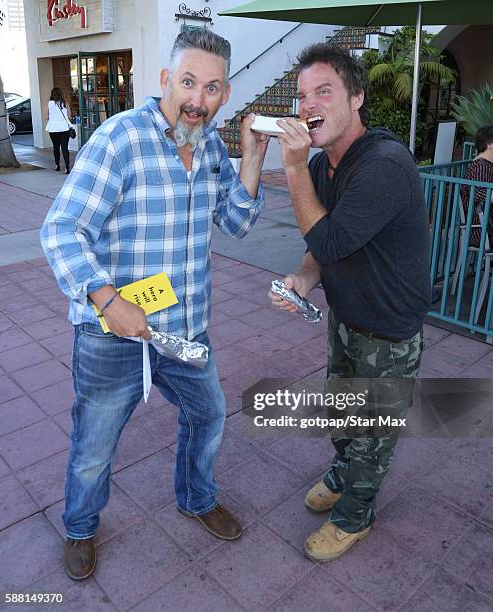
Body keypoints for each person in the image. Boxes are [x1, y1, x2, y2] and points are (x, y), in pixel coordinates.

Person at [41, 29, 269, 581]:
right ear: (166, 80)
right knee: (95, 443)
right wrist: (106, 298)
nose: (198, 99)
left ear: (225, 94)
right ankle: (80, 527)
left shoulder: (214, 146)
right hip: (114, 332)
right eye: (188, 82)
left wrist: (253, 160)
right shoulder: (120, 139)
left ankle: (195, 498)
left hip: (186, 329)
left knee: (210, 412)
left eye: (211, 88)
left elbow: (236, 223)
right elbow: (62, 229)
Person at [268, 44, 431, 562]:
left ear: (356, 97)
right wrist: (304, 280)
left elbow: (333, 241)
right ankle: (342, 476)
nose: (307, 103)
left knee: (374, 433)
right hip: (347, 317)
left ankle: (355, 514)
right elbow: (324, 244)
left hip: (389, 326)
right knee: (342, 412)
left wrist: (292, 167)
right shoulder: (324, 167)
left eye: (323, 91)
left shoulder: (383, 164)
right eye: (301, 95)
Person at [460, 125, 493, 248]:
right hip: (481, 229)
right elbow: (484, 195)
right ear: (489, 144)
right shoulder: (480, 167)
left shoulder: (485, 165)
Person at [45, 87, 73, 174]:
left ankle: (57, 165)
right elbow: (69, 116)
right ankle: (67, 168)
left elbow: (46, 117)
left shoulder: (50, 104)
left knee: (56, 147)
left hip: (53, 128)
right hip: (64, 128)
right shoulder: (65, 103)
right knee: (65, 148)